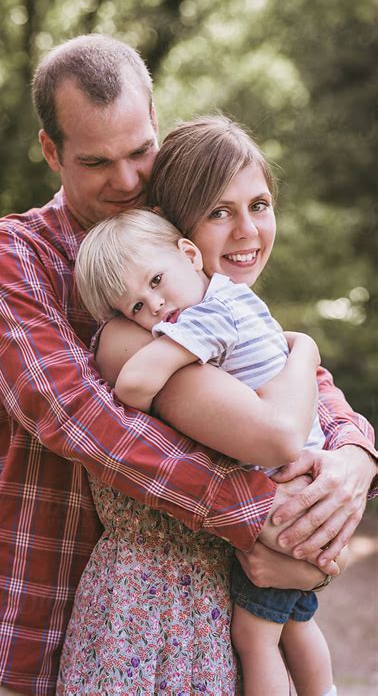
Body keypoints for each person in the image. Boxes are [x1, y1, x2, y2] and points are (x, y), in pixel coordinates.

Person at [0, 34, 376, 696]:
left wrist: (353, 455)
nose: (129, 179)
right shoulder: (11, 256)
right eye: (98, 161)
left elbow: (263, 354)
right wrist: (268, 517)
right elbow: (83, 421)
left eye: (141, 151)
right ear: (53, 152)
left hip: (178, 634)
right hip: (24, 632)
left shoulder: (176, 244)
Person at [73, 162, 334, 695]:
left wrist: (159, 350)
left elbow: (132, 386)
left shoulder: (206, 317)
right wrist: (304, 345)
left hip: (284, 484)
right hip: (294, 483)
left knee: (256, 638)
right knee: (293, 626)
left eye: (156, 283)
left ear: (187, 256)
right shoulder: (236, 305)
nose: (157, 308)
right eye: (138, 308)